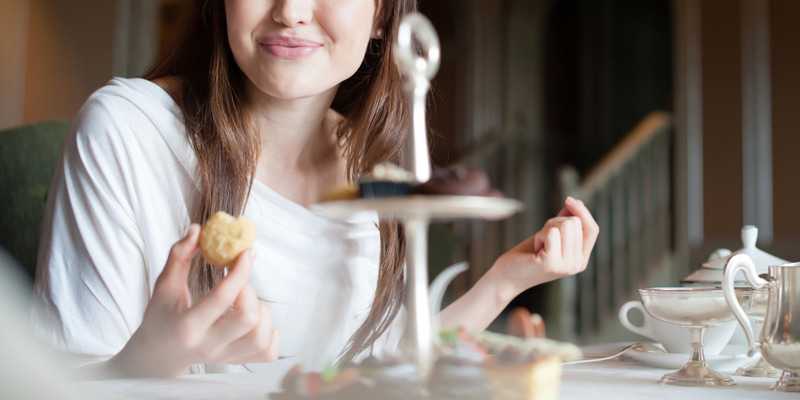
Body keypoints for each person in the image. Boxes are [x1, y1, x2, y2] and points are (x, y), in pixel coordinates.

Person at [31, 0, 599, 379]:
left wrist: (505, 280)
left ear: (381, 15)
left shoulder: (373, 177)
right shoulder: (128, 133)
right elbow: (44, 387)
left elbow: (374, 371)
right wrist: (144, 362)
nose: (291, 12)